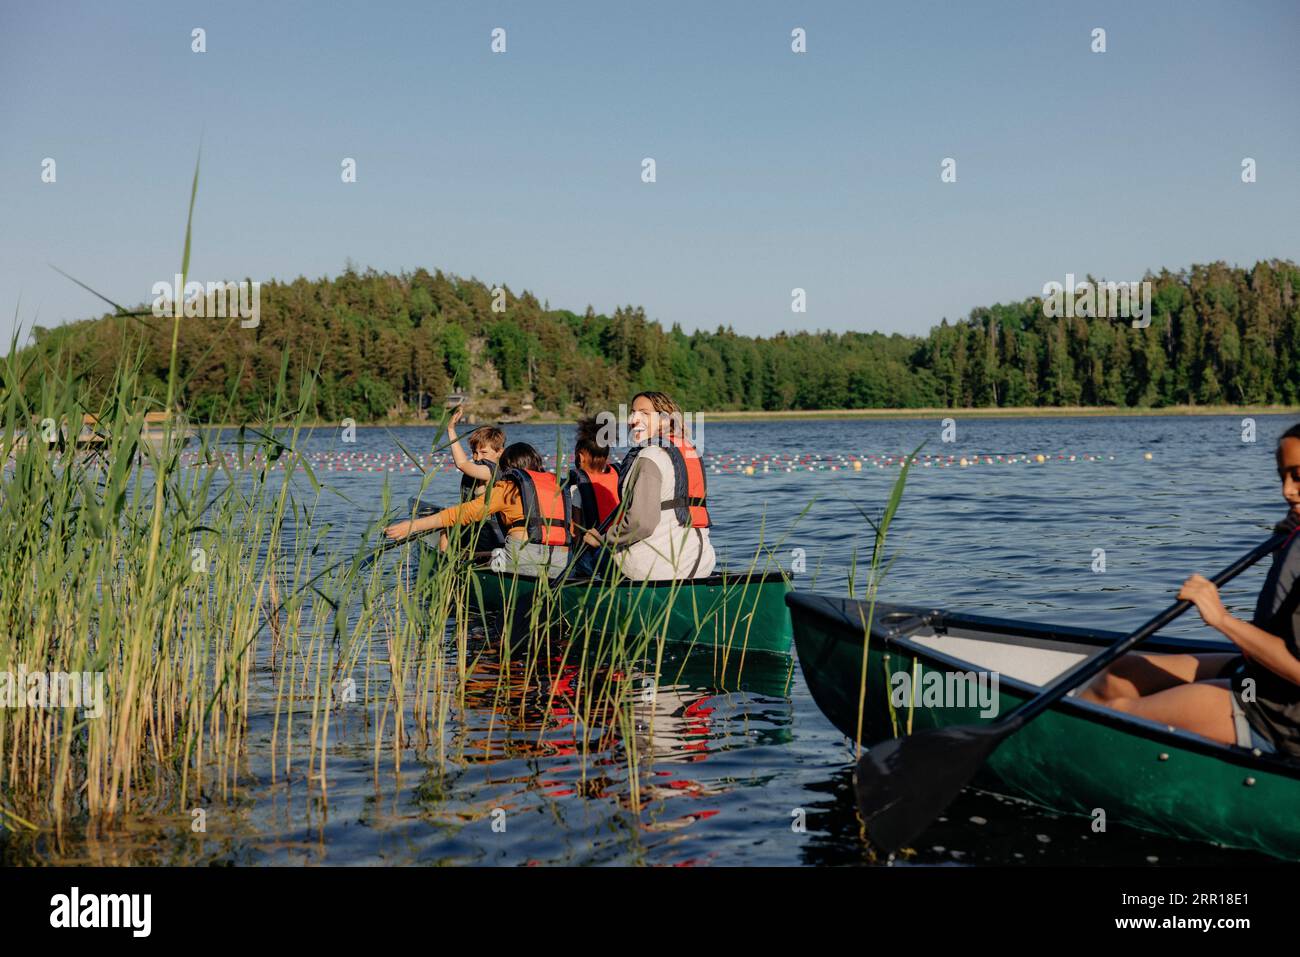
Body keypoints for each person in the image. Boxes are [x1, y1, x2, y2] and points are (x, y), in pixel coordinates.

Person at [1081, 423, 1300, 757]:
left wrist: (1223, 620)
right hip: (1262, 678)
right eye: (1282, 476)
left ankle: (1051, 755)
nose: (1287, 491)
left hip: (1281, 717)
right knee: (1118, 674)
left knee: (1115, 716)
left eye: (1297, 476)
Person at [385, 442, 571, 579]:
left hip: (521, 558)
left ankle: (448, 574)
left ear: (507, 469)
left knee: (476, 560)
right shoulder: (557, 485)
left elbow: (461, 514)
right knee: (487, 554)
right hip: (562, 560)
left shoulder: (508, 487)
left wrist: (413, 526)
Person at [583, 391, 715, 581]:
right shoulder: (690, 452)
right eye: (632, 412)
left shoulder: (650, 456)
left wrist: (602, 540)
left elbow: (641, 524)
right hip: (701, 563)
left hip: (658, 568)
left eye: (644, 413)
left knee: (591, 559)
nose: (633, 419)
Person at [566, 416, 621, 577]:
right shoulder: (619, 477)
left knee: (573, 564)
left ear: (581, 456)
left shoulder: (578, 488)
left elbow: (575, 531)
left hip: (596, 553)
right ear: (607, 457)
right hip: (621, 547)